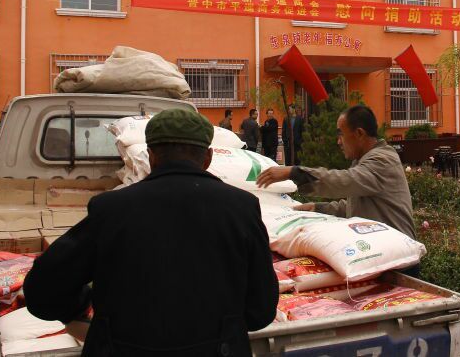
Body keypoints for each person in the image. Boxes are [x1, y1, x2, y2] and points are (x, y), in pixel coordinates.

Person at [24, 108, 278, 356]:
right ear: (208, 158)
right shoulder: (242, 208)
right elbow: (261, 311)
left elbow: (42, 289)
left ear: (151, 156)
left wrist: (83, 308)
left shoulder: (110, 208)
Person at [256, 104, 418, 276]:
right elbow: (356, 205)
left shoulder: (382, 160)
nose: (338, 141)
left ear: (359, 133)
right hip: (382, 259)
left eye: (341, 134)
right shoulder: (364, 160)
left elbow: (344, 181)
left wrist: (294, 172)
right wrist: (317, 208)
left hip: (400, 264)